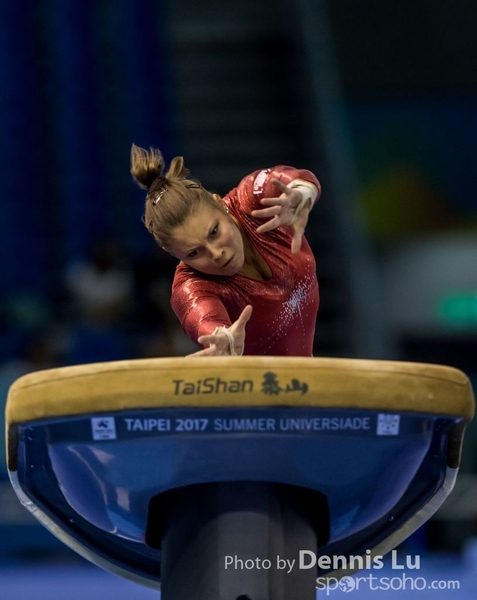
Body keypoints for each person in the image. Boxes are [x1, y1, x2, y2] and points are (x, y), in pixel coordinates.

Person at [130, 144, 321, 356]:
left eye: (214, 232)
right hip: (258, 377)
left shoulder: (253, 203)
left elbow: (286, 179)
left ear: (220, 204)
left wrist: (301, 192)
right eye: (194, 253)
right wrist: (223, 338)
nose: (216, 253)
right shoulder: (192, 287)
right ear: (172, 254)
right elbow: (204, 319)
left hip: (307, 368)